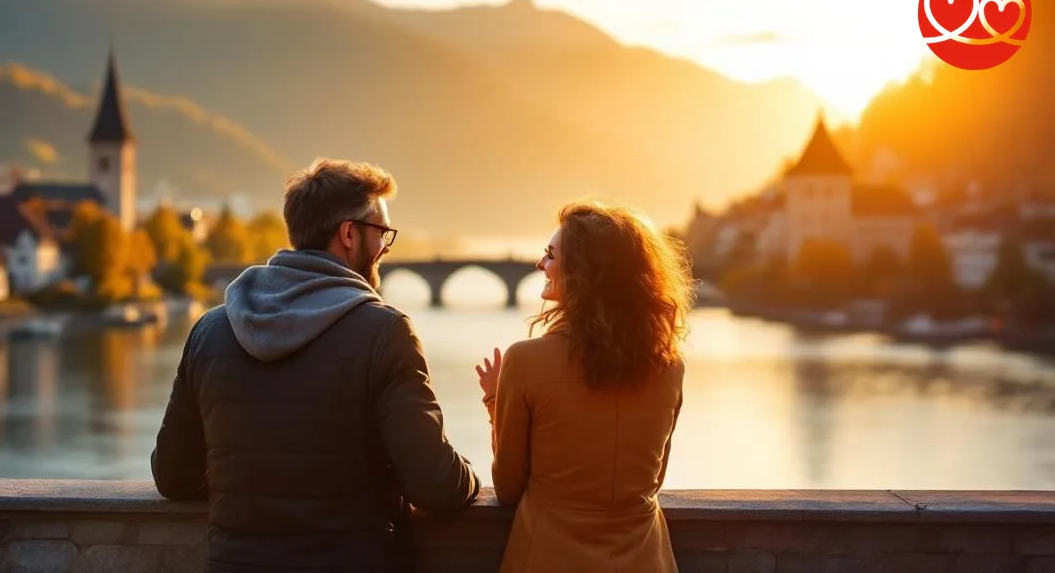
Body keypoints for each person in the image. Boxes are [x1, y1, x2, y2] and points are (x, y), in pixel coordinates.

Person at [152, 158, 481, 573]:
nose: (385, 248)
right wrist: (469, 474)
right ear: (348, 233)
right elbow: (437, 487)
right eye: (382, 234)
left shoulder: (210, 332)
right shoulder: (385, 332)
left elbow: (173, 477)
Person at [475, 201, 694, 573]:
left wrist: (497, 400)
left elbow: (508, 486)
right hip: (646, 560)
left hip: (547, 558)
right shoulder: (670, 367)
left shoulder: (525, 361)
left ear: (582, 273)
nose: (540, 264)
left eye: (549, 255)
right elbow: (653, 481)